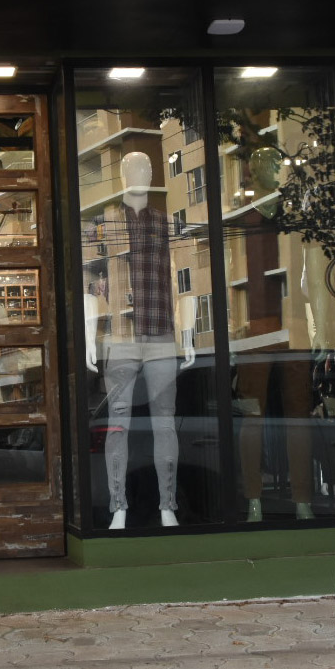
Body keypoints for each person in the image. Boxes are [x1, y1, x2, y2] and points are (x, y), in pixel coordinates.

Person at [84, 151, 196, 530]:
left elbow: (184, 280)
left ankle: (167, 505)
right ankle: (119, 505)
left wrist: (187, 334)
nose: (140, 172)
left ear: (152, 173)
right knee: (118, 425)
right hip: (121, 338)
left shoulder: (165, 224)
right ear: (121, 174)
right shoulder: (104, 225)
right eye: (132, 167)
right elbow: (88, 284)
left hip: (162, 335)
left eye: (146, 167)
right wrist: (90, 339)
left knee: (165, 423)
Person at [230, 147, 316, 521]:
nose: (274, 168)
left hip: (294, 325)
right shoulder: (242, 217)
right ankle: (254, 498)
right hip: (256, 328)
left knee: (298, 417)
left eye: (277, 163)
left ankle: (303, 499)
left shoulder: (293, 215)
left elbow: (309, 269)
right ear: (252, 170)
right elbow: (230, 276)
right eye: (267, 163)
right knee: (254, 418)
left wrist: (317, 325)